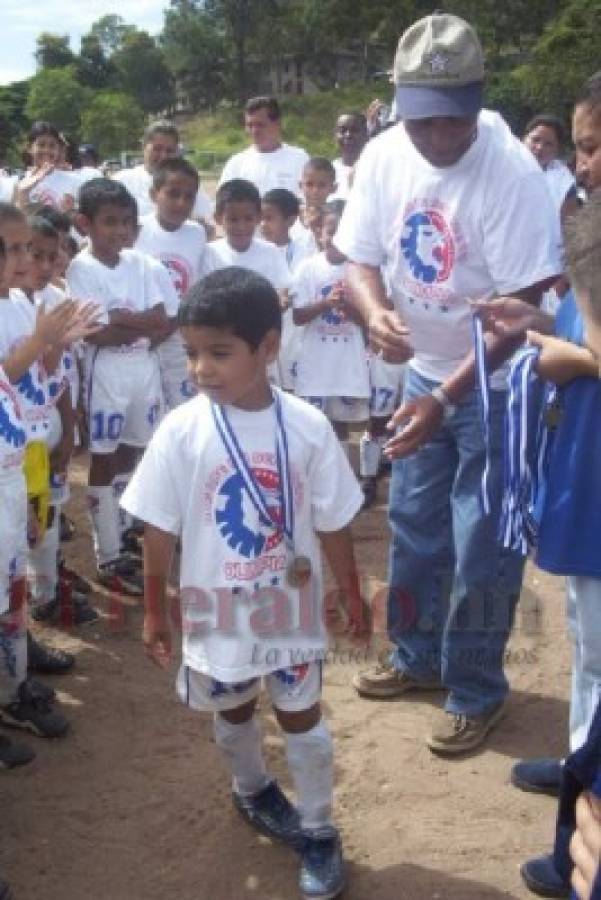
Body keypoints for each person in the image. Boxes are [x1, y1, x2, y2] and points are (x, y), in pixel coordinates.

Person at [334, 11, 560, 753]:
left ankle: (473, 688)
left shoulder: (511, 172)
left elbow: (524, 313)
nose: (436, 139)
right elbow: (359, 259)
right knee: (413, 525)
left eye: (451, 123)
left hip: (497, 385)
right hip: (423, 375)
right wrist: (373, 315)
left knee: (478, 540)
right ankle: (419, 659)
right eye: (421, 122)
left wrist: (442, 396)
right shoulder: (382, 154)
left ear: (478, 98)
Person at [120, 266, 367, 900]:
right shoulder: (182, 430)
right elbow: (158, 532)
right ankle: (252, 788)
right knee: (231, 707)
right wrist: (154, 612)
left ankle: (317, 827)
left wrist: (350, 592)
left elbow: (334, 522)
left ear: (269, 346)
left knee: (301, 715)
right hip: (216, 611)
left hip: (289, 611)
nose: (202, 368)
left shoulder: (308, 427)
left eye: (220, 353)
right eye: (194, 352)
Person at [66, 179, 167, 595]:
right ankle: (106, 553)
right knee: (104, 457)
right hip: (106, 371)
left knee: (135, 450)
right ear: (84, 224)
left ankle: (124, 537)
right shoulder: (80, 269)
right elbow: (95, 334)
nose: (120, 231)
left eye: (126, 222)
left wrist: (124, 319)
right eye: (110, 222)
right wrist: (129, 323)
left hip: (144, 367)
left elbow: (161, 319)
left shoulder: (141, 264)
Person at [293, 200, 370, 449]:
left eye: (343, 232)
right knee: (311, 425)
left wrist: (348, 308)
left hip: (346, 364)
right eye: (331, 231)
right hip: (316, 363)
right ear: (318, 232)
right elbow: (298, 316)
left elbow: (370, 322)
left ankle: (344, 478)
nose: (336, 238)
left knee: (341, 428)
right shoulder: (307, 268)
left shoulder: (360, 271)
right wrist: (326, 304)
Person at [135, 156, 207, 410]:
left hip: (179, 337)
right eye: (173, 194)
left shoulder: (197, 233)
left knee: (183, 406)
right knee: (146, 412)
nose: (181, 203)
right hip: (141, 337)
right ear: (154, 194)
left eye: (189, 196)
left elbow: (197, 285)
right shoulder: (136, 229)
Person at [260, 188, 313, 391]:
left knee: (293, 389)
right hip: (265, 329)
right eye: (261, 218)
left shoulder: (305, 252)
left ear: (291, 221)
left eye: (269, 218)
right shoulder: (255, 251)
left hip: (294, 332)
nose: (263, 224)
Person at [113, 120, 213, 226]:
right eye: (157, 149)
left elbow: (207, 225)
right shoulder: (122, 181)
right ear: (143, 147)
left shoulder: (187, 184)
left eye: (170, 151)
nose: (163, 156)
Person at [218, 96, 309, 198]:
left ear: (277, 124)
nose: (254, 131)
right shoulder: (236, 163)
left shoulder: (299, 159)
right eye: (250, 125)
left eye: (260, 125)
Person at [15, 122, 78, 211]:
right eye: (41, 145)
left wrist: (70, 212)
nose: (46, 150)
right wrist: (23, 193)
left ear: (58, 150)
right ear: (29, 148)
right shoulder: (20, 181)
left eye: (52, 146)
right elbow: (14, 221)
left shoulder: (73, 181)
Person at [292, 157, 337, 254]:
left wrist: (317, 233)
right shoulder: (290, 216)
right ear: (300, 185)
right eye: (309, 184)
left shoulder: (335, 223)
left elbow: (332, 257)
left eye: (322, 185)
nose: (315, 191)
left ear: (333, 188)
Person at [331, 113, 368, 200]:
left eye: (354, 130)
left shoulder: (373, 171)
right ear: (335, 135)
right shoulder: (326, 171)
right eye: (342, 131)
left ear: (366, 135)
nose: (348, 135)